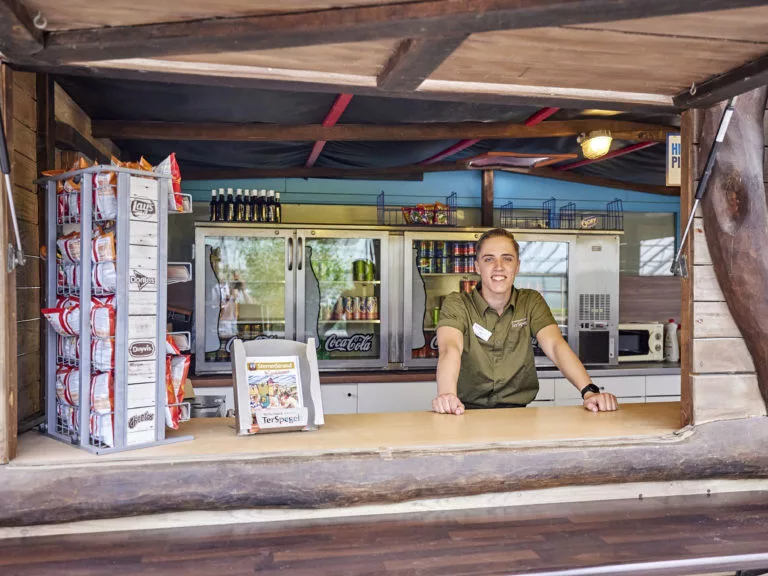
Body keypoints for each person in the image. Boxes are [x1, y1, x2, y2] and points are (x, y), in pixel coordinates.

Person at [432, 228, 618, 415]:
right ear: (477, 266)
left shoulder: (530, 302)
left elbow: (555, 345)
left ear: (517, 266)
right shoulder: (457, 303)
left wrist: (589, 391)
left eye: (507, 258)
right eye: (489, 259)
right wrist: (447, 394)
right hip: (464, 412)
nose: (498, 266)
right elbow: (450, 348)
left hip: (519, 415)